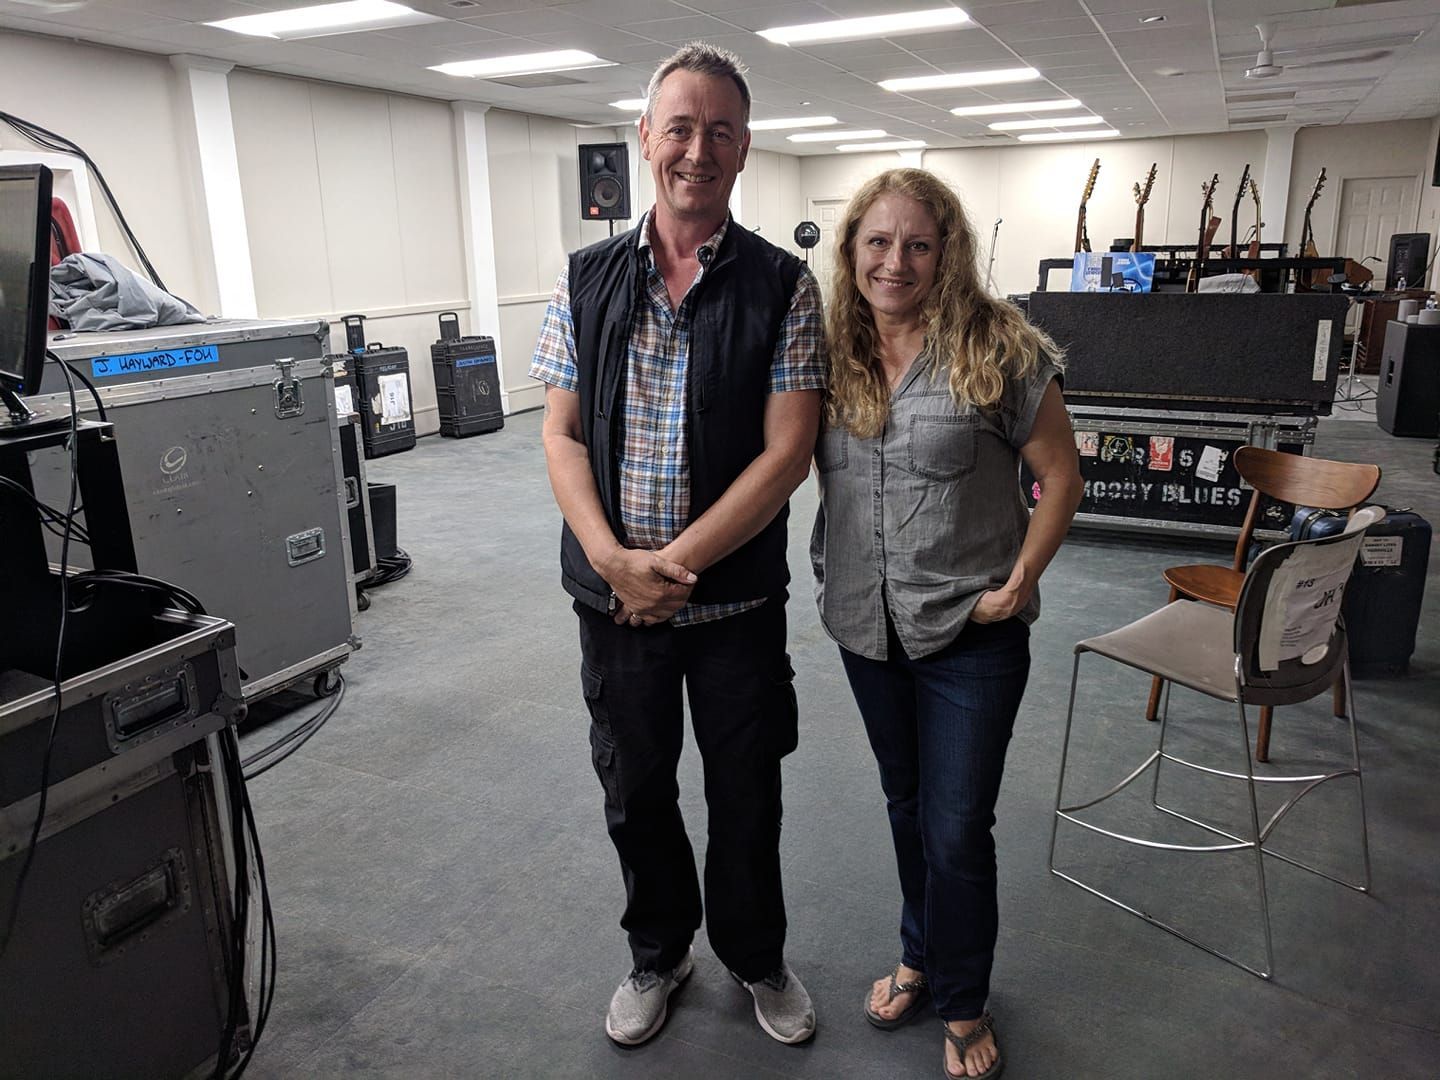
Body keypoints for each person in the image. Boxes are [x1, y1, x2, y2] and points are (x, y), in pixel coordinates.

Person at [530, 42, 824, 1049]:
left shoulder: (786, 288)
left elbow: (787, 455)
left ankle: (756, 956)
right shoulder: (582, 280)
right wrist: (616, 562)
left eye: (722, 131)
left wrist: (674, 568)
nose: (699, 148)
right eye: (681, 127)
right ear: (645, 139)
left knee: (748, 789)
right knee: (636, 784)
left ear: (745, 150)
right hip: (615, 601)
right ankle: (659, 951)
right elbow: (561, 433)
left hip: (734, 604)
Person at [810, 168, 1082, 1079]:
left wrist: (1021, 578)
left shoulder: (996, 346)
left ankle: (963, 1001)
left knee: (958, 826)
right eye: (878, 242)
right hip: (866, 625)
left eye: (917, 243)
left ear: (947, 251)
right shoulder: (827, 349)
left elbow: (1059, 478)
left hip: (972, 631)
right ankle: (920, 954)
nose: (896, 262)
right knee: (907, 804)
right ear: (850, 250)